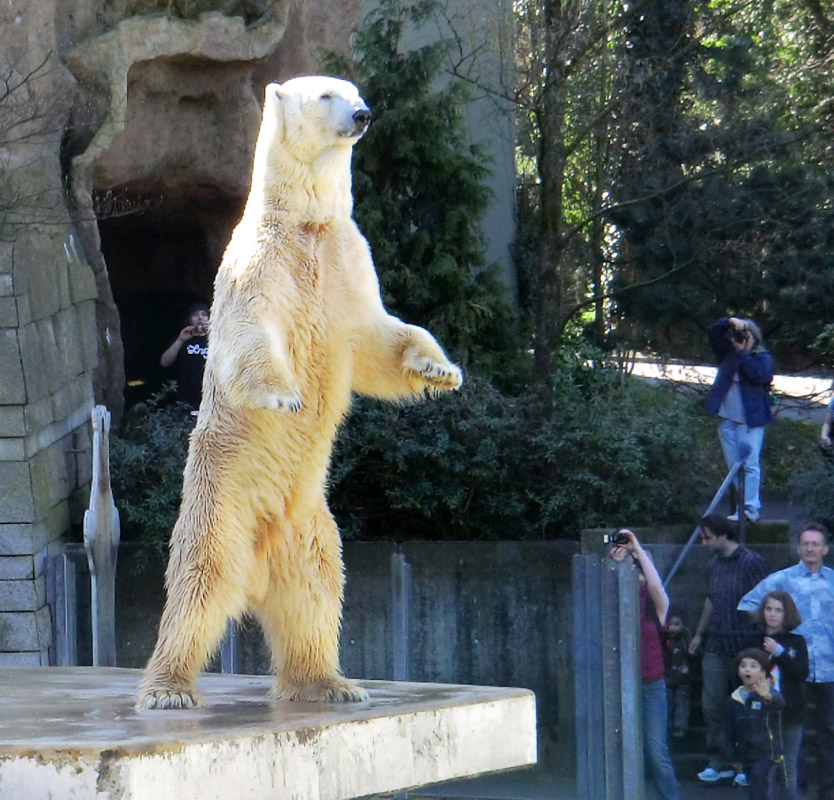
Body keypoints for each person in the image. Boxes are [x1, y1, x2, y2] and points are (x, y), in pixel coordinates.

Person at [738, 524, 834, 800]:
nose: (811, 548)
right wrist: (771, 631)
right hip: (794, 668)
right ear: (798, 548)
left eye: (816, 544)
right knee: (797, 739)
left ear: (825, 549)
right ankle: (798, 793)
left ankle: (828, 791)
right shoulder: (783, 579)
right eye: (805, 543)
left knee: (829, 733)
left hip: (829, 668)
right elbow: (748, 602)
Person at [689, 512, 769, 784]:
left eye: (707, 537)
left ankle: (747, 764)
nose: (704, 542)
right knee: (712, 705)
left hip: (745, 644)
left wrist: (761, 641)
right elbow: (711, 600)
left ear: (723, 535)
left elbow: (763, 602)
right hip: (716, 641)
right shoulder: (714, 564)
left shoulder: (752, 562)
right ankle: (719, 759)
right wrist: (699, 633)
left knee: (746, 707)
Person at [609, 529, 680, 800]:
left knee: (656, 752)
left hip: (651, 685)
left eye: (638, 566)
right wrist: (616, 563)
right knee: (621, 750)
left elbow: (657, 587)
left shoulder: (653, 604)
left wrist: (637, 549)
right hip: (618, 685)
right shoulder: (611, 596)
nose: (635, 571)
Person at [704, 315, 774, 522]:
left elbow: (758, 375)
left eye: (747, 335)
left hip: (749, 422)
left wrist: (743, 353)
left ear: (755, 338)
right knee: (734, 467)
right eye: (740, 335)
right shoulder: (727, 354)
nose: (743, 338)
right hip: (727, 421)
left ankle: (751, 508)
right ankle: (741, 508)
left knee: (750, 465)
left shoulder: (763, 357)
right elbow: (712, 332)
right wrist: (730, 321)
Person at [741, 591, 808, 800]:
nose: (772, 614)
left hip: (790, 712)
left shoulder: (796, 642)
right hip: (760, 715)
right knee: (763, 770)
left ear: (786, 614)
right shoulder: (752, 639)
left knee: (787, 769)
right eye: (768, 609)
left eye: (778, 610)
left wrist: (779, 651)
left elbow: (800, 673)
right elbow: (742, 673)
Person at [727, 648, 786, 800]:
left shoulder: (767, 692)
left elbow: (778, 703)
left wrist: (766, 695)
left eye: (753, 666)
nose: (747, 669)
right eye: (743, 665)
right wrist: (732, 755)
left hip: (767, 752)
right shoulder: (734, 698)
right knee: (753, 788)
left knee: (761, 781)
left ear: (764, 671)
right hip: (745, 752)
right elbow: (729, 729)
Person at [160, 302, 210, 417]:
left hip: (211, 399)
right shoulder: (184, 338)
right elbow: (164, 362)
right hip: (186, 399)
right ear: (189, 320)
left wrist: (214, 332)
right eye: (195, 315)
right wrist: (181, 340)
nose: (200, 318)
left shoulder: (217, 338)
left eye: (204, 314)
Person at [663, 610, 692, 739]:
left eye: (677, 624)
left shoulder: (686, 640)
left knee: (681, 702)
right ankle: (667, 726)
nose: (672, 628)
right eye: (669, 624)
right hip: (667, 677)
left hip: (683, 678)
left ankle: (680, 727)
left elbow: (694, 654)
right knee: (667, 702)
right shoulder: (663, 640)